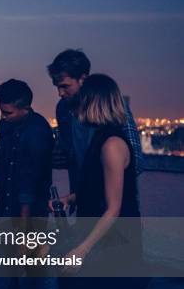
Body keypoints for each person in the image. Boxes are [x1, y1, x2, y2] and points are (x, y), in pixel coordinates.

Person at [61, 74, 145, 282]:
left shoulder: (111, 145)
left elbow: (113, 209)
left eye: (80, 102)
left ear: (92, 104)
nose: (75, 108)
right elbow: (99, 187)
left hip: (114, 246)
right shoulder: (100, 139)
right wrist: (71, 198)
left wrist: (81, 251)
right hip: (101, 241)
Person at [0, 79, 57, 289]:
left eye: (7, 112)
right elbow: (1, 160)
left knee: (29, 271)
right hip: (6, 206)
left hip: (31, 214)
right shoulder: (5, 124)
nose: (2, 117)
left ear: (25, 108)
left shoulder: (38, 131)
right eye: (0, 111)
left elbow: (30, 181)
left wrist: (24, 231)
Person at [47, 49, 143, 210]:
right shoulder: (63, 108)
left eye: (65, 86)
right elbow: (71, 155)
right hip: (83, 203)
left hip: (114, 209)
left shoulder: (112, 106)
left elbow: (136, 162)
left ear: (83, 79)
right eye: (57, 86)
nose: (60, 93)